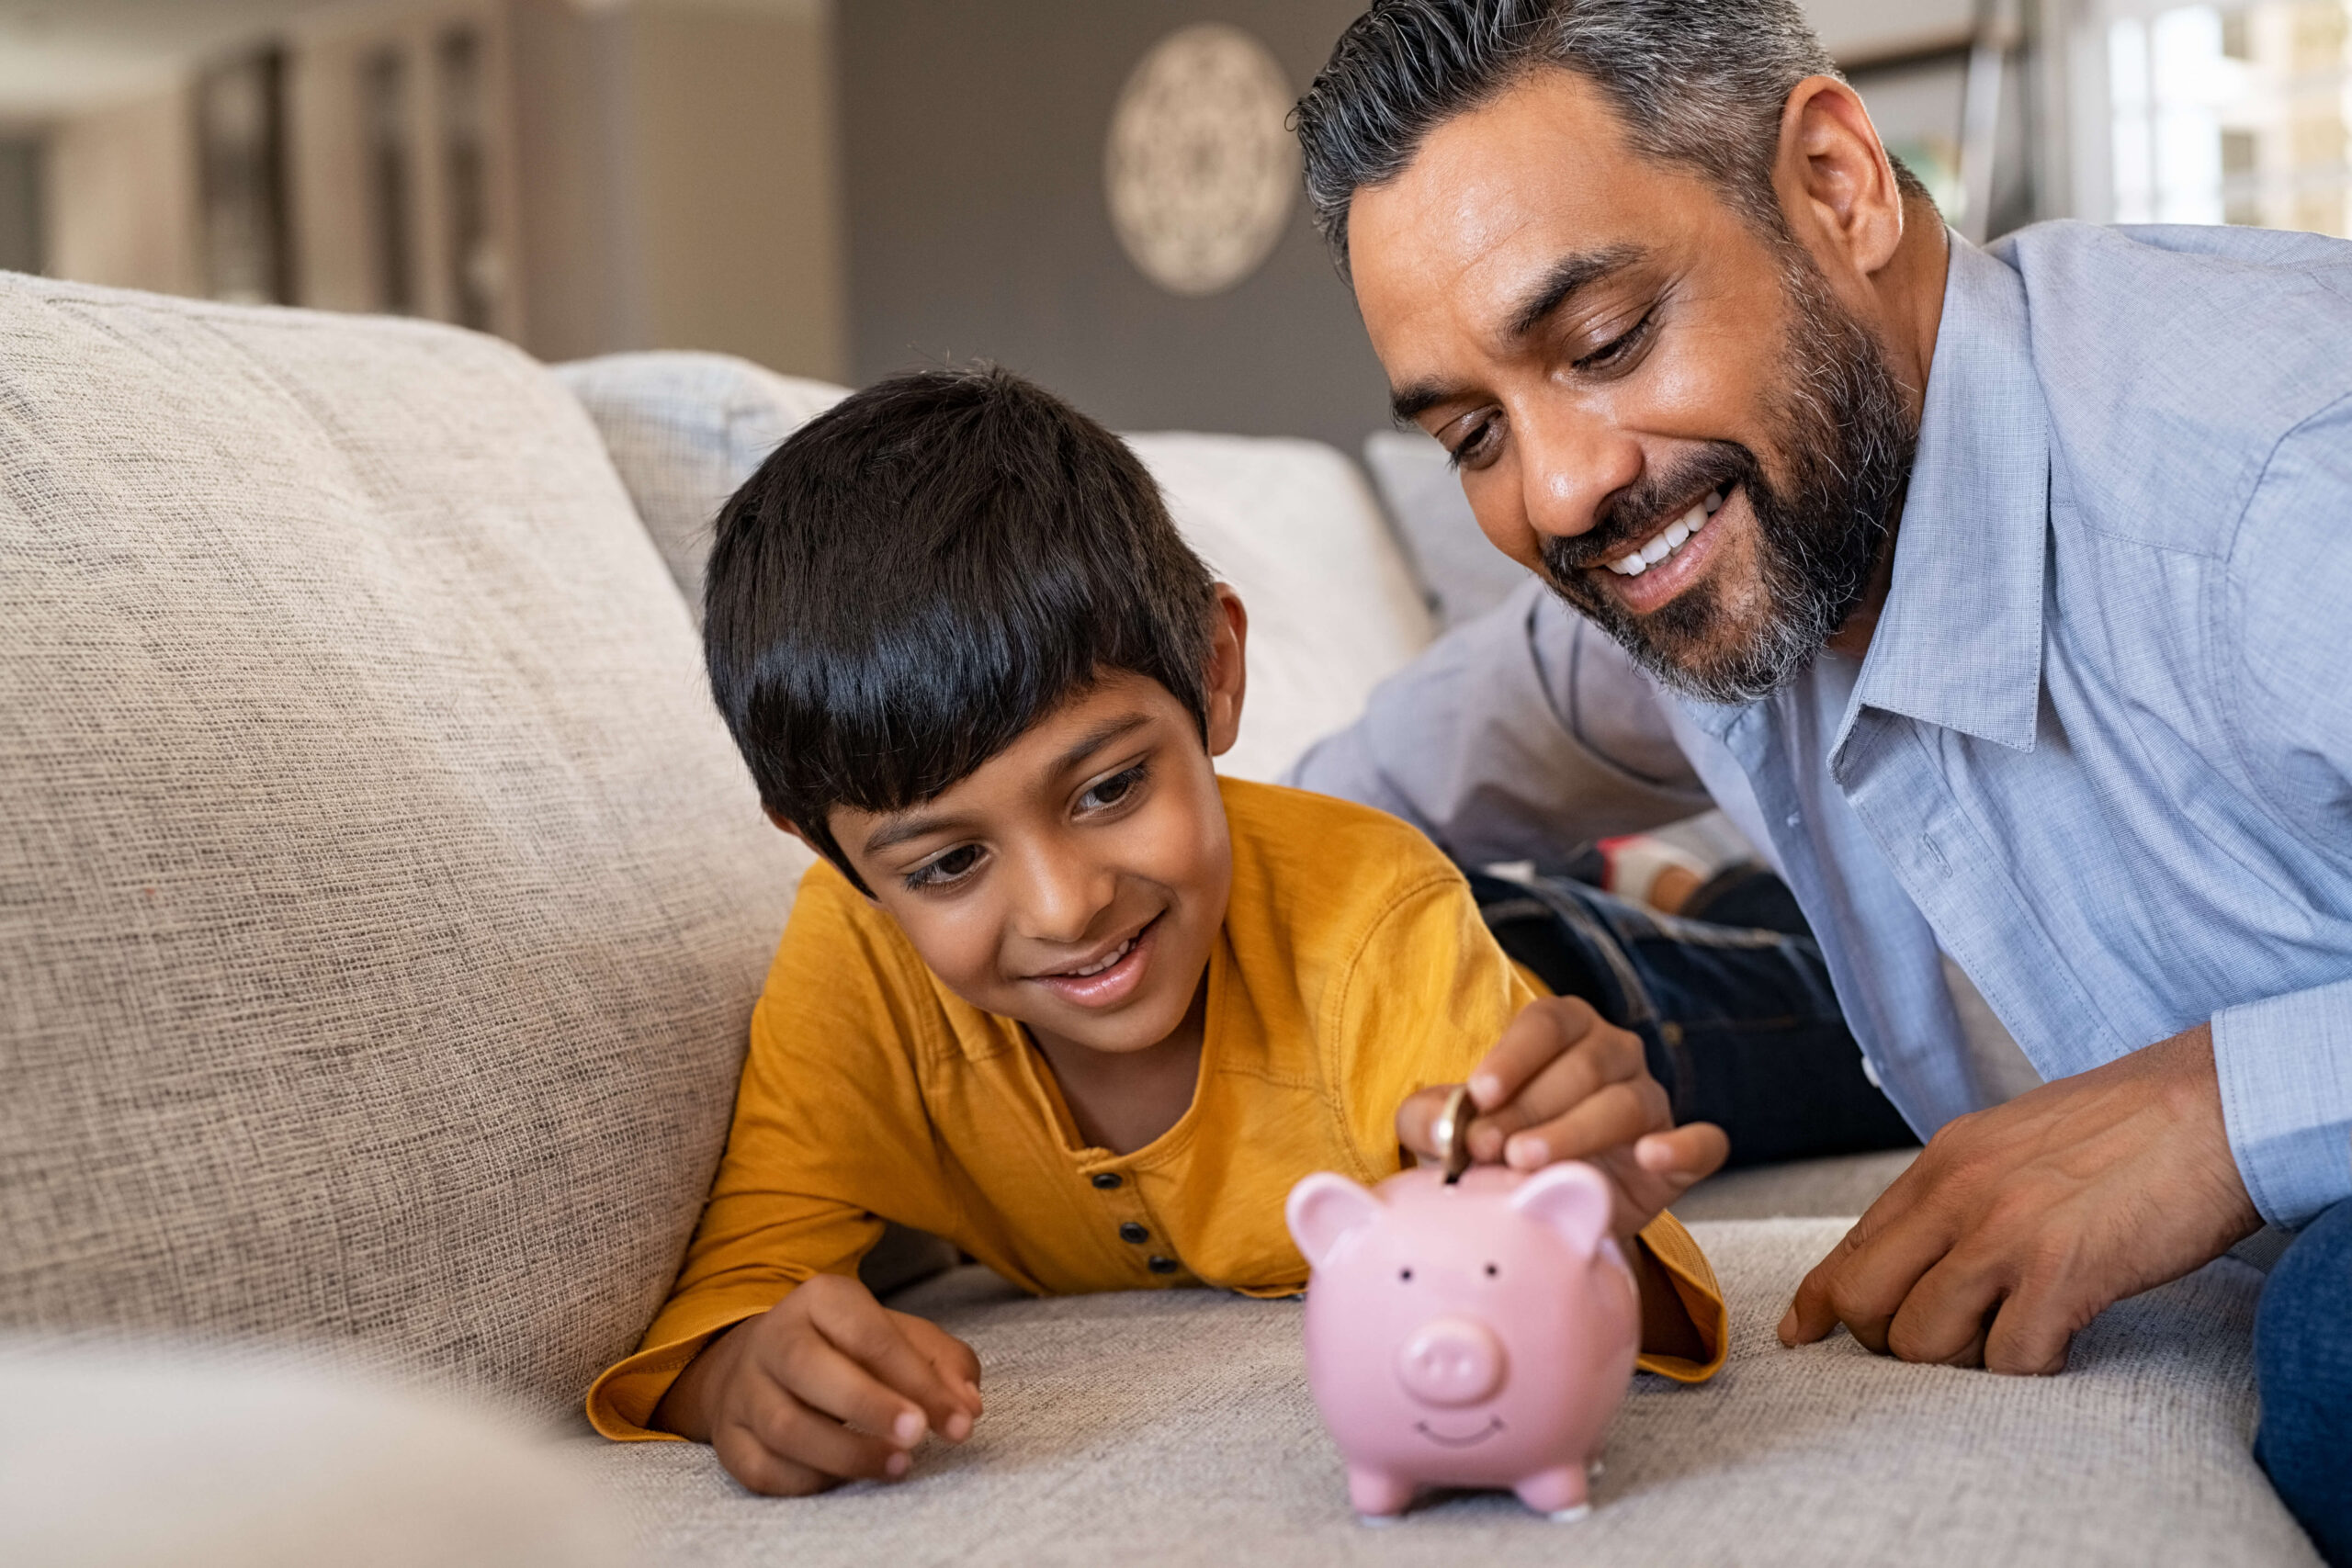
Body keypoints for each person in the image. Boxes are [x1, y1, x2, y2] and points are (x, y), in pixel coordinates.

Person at [1286, 1, 2352, 1557]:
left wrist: (2218, 1110)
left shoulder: (2273, 484)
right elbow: (1334, 808)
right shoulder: (1697, 557)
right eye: (1471, 433)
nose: (1562, 490)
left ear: (1841, 184)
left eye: (1601, 343)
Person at [582, 367, 1730, 1495]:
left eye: (1109, 789)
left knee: (1786, 1005)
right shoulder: (856, 970)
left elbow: (1567, 1230)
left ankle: (1686, 896)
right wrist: (741, 1376)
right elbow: (741, 1289)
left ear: (1215, 671)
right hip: (1428, 926)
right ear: (827, 851)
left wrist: (1583, 1208)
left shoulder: (1376, 921)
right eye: (947, 863)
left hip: (1573, 984)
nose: (1064, 906)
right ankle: (1644, 883)